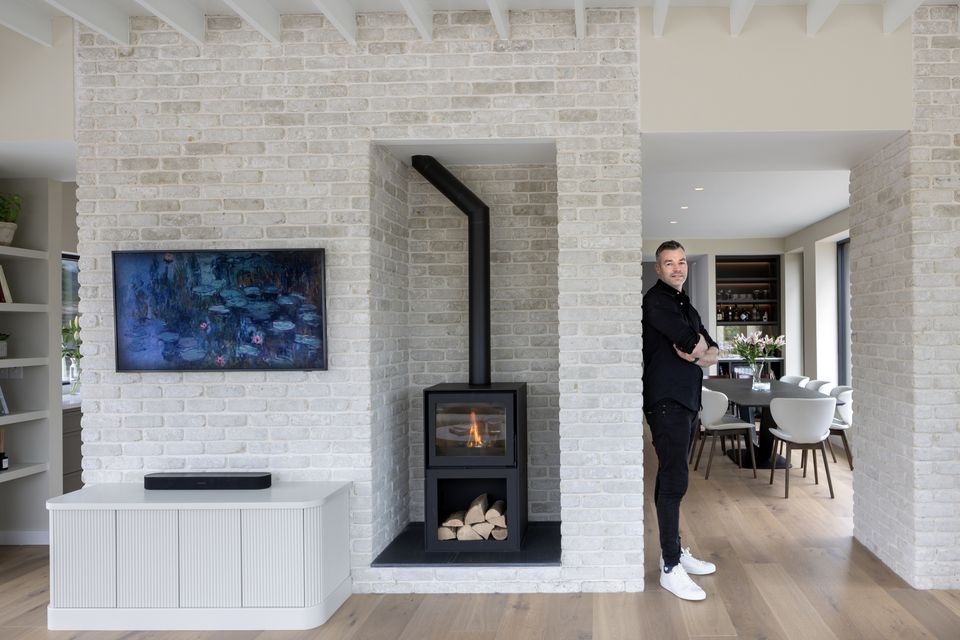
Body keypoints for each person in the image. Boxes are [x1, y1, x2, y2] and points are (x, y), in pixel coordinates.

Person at [642, 240, 720, 601]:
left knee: (672, 478)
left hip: (687, 401)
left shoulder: (684, 303)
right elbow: (692, 343)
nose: (677, 268)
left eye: (681, 262)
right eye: (668, 263)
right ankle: (671, 568)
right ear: (658, 269)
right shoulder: (656, 301)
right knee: (674, 481)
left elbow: (710, 347)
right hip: (667, 402)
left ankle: (672, 554)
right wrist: (699, 351)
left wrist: (701, 354)